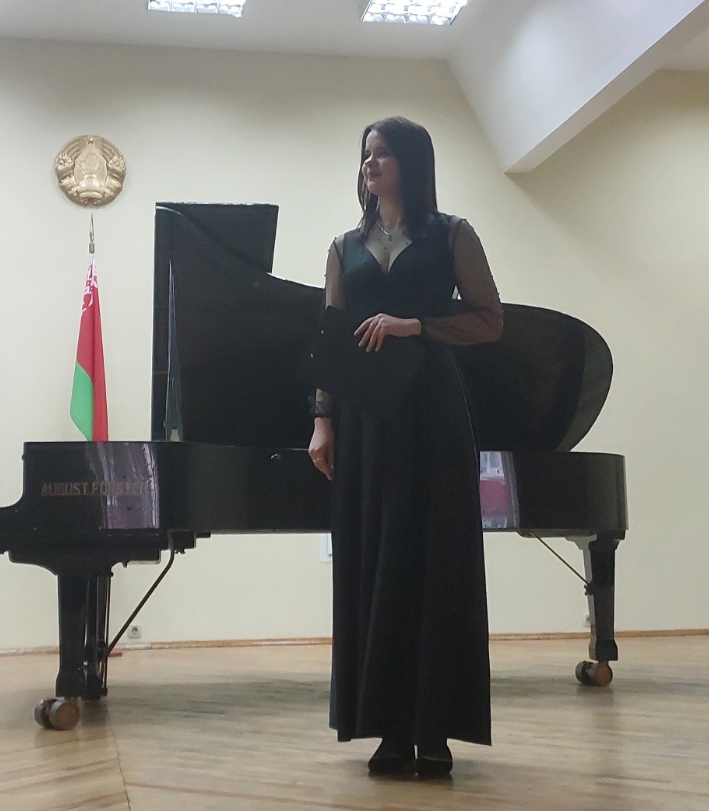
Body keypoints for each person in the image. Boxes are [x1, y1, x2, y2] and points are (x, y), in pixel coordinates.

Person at [308, 117, 504, 777]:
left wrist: (414, 324)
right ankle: (389, 728)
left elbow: (489, 320)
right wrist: (323, 420)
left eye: (383, 154)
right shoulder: (343, 246)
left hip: (433, 413)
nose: (370, 164)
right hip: (366, 418)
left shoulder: (453, 234)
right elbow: (332, 338)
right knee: (372, 559)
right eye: (366, 154)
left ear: (412, 163)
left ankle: (435, 728)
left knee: (436, 560)